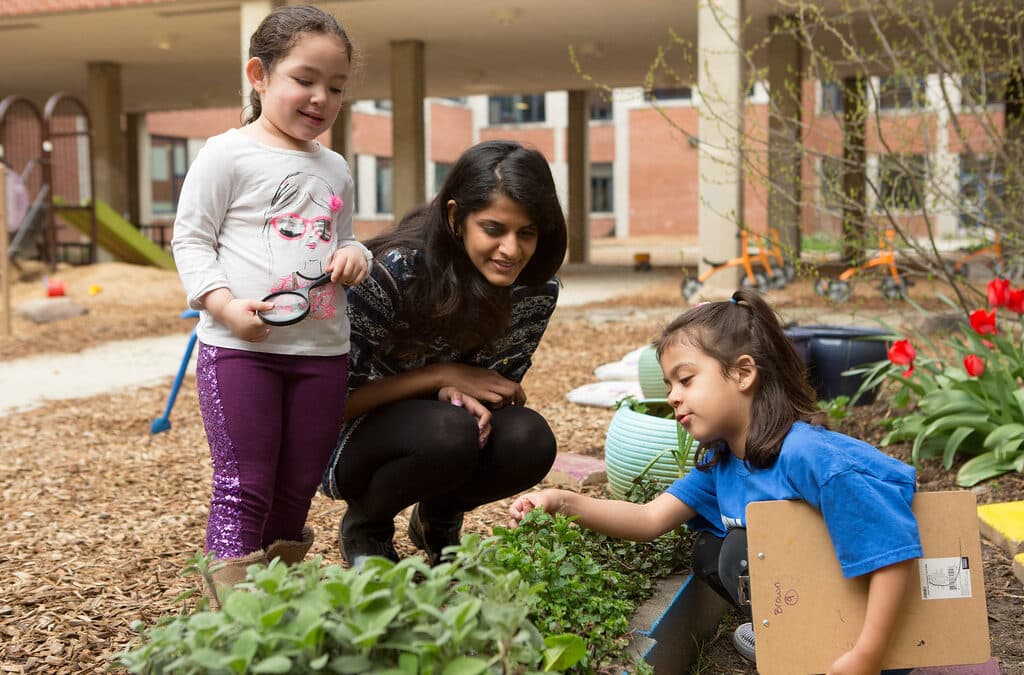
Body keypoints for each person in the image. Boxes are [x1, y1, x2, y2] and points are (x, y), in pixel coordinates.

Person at [510, 288, 922, 675]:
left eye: (685, 380)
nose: (672, 396)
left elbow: (891, 551)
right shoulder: (724, 462)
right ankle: (792, 641)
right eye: (670, 384)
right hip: (829, 609)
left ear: (743, 373)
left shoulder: (808, 456)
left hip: (881, 639)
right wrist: (562, 502)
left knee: (740, 551)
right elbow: (649, 519)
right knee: (711, 550)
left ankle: (821, 649)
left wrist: (869, 654)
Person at [171, 4, 372, 605]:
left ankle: (276, 605)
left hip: (322, 354)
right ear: (259, 75)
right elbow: (191, 238)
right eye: (304, 80)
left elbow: (342, 238)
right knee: (244, 486)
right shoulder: (227, 154)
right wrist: (224, 304)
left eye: (335, 87)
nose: (320, 98)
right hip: (240, 353)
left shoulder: (334, 168)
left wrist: (355, 254)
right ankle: (230, 621)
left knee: (297, 486)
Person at [321, 139, 568, 569]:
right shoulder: (397, 271)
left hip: (447, 428)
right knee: (450, 432)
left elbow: (491, 387)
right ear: (456, 218)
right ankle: (367, 526)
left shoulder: (534, 290)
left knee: (529, 439)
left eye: (526, 232)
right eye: (493, 229)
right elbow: (330, 405)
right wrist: (439, 377)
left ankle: (438, 516)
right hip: (353, 438)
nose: (511, 249)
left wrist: (491, 399)